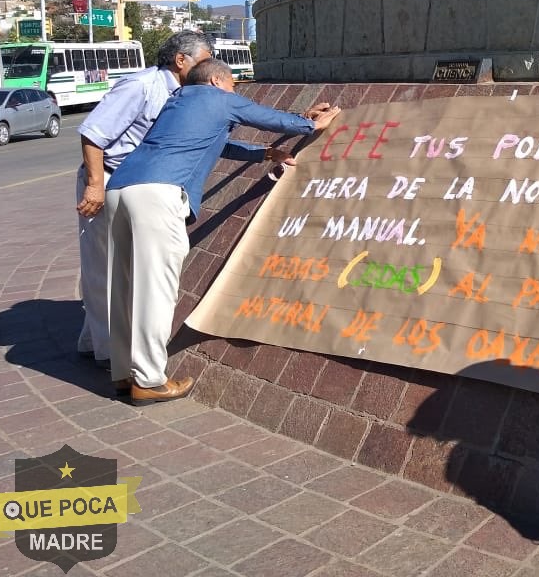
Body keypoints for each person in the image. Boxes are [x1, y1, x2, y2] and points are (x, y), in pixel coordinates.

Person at [106, 58, 341, 405]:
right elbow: (265, 117)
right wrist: (312, 124)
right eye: (232, 85)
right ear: (217, 80)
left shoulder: (178, 102)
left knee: (124, 286)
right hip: (159, 192)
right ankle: (150, 380)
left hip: (121, 188)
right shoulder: (219, 97)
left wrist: (265, 153)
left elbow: (218, 144)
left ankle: (125, 373)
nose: (234, 92)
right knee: (155, 288)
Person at [74, 31, 215, 369]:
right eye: (204, 60)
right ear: (181, 60)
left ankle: (94, 339)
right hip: (107, 179)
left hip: (139, 185)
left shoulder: (185, 95)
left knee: (122, 267)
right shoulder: (141, 86)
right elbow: (93, 135)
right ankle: (112, 356)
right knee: (104, 267)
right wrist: (94, 186)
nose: (208, 68)